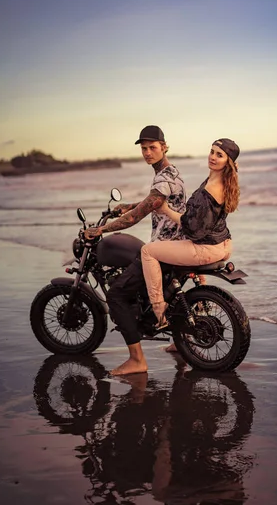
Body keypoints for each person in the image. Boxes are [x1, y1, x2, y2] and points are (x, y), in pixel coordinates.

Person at [84, 125, 186, 375]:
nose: (148, 152)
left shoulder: (163, 178)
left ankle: (137, 360)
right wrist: (127, 205)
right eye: (144, 148)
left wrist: (102, 230)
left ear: (164, 147)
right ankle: (180, 341)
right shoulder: (171, 173)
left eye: (153, 147)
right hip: (177, 246)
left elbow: (137, 217)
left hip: (164, 249)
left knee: (117, 294)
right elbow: (153, 202)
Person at [141, 138, 240, 327]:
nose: (212, 157)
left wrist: (165, 210)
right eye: (212, 152)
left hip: (208, 248)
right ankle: (191, 321)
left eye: (219, 155)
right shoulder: (224, 180)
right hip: (224, 244)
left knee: (148, 251)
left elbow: (191, 228)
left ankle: (158, 312)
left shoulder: (211, 189)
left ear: (227, 162)